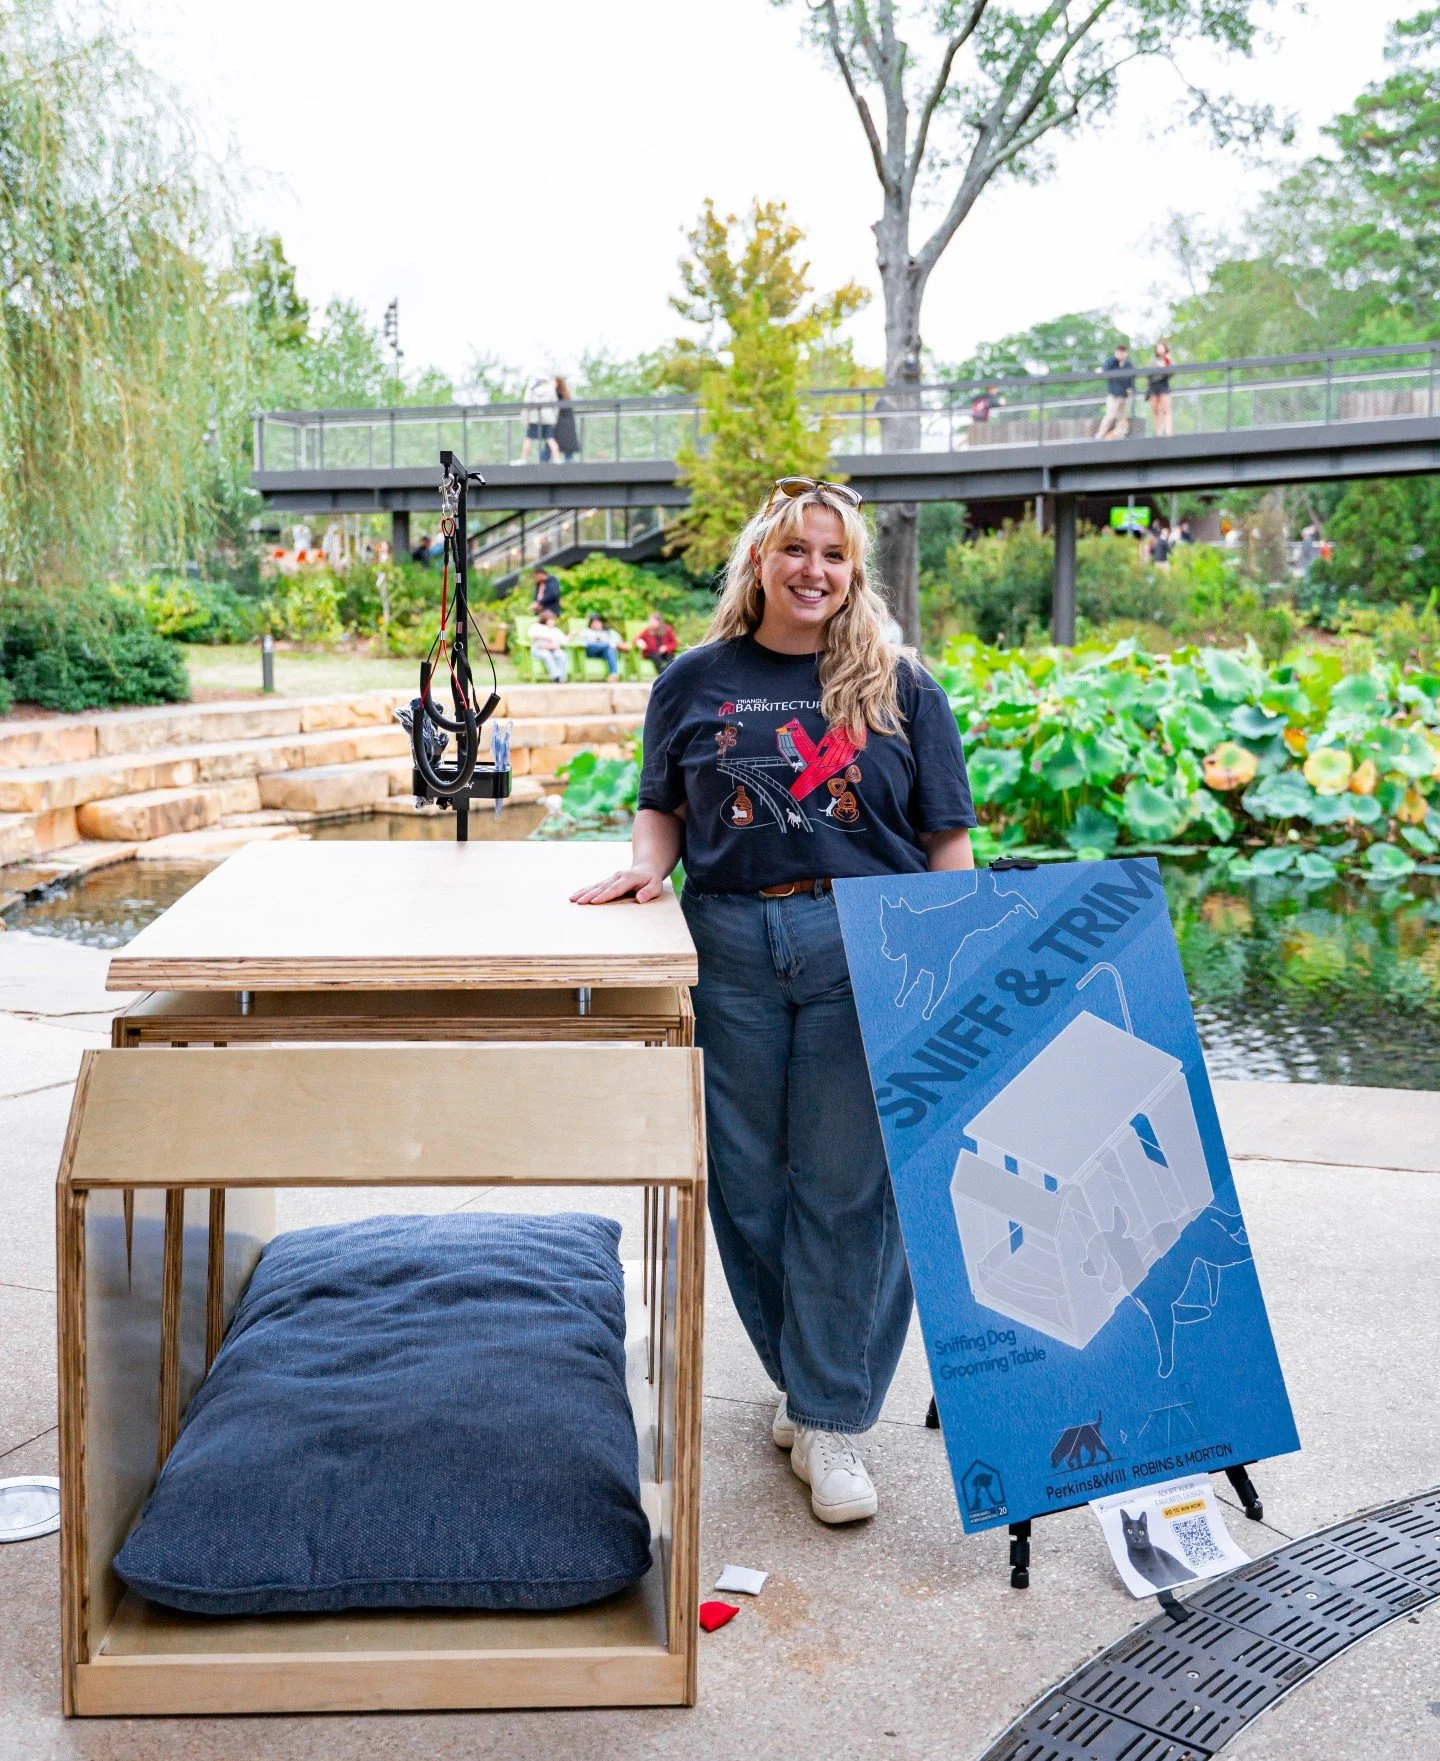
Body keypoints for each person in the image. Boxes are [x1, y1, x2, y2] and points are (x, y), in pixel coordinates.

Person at [572, 478, 977, 1528]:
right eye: (796, 550)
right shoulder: (694, 679)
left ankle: (835, 1419)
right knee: (747, 1184)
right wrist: (645, 869)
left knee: (849, 1187)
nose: (815, 571)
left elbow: (945, 838)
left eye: (835, 556)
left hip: (865, 942)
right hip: (732, 944)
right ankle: (810, 1380)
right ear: (761, 559)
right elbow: (661, 802)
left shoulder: (899, 684)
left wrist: (950, 957)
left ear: (854, 572)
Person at [1096, 343, 1135, 439]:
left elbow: (1131, 378)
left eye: (1122, 352)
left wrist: (1130, 389)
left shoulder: (1129, 364)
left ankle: (1118, 435)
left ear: (1126, 353)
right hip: (1114, 395)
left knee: (1122, 418)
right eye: (1119, 352)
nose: (1121, 354)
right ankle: (1100, 435)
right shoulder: (1112, 362)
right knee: (1110, 416)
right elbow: (1105, 368)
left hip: (1124, 395)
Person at [521, 373, 559, 463]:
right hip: (548, 418)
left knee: (529, 438)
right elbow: (555, 405)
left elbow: (526, 404)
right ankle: (557, 460)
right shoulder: (550, 388)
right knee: (550, 438)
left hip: (534, 418)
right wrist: (554, 419)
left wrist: (525, 419)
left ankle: (523, 459)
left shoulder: (531, 388)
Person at [528, 609, 569, 682]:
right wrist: (547, 639)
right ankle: (556, 676)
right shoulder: (537, 627)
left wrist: (570, 635)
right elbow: (531, 634)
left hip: (553, 650)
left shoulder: (555, 630)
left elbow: (564, 640)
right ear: (544, 620)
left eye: (553, 620)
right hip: (539, 650)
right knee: (546, 654)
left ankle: (562, 678)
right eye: (550, 620)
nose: (552, 622)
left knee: (562, 654)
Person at [633, 609, 678, 674]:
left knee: (670, 654)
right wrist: (639, 641)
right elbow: (635, 639)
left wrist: (666, 647)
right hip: (651, 653)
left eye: (652, 621)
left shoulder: (667, 629)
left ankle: (670, 673)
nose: (650, 622)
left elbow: (674, 643)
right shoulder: (647, 631)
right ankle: (663, 674)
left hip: (664, 653)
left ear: (658, 621)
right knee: (655, 655)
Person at [581, 613, 624, 679]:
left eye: (598, 622)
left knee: (610, 650)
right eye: (594, 622)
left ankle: (613, 674)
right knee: (609, 646)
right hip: (591, 651)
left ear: (601, 623)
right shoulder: (586, 631)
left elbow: (619, 641)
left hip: (605, 653)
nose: (596, 624)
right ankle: (606, 645)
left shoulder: (609, 632)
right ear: (590, 624)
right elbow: (582, 643)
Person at [1147, 341, 1174, 437]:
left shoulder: (1168, 359)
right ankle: (1158, 432)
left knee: (1166, 409)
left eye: (1161, 347)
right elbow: (1147, 372)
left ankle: (1168, 432)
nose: (1160, 350)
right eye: (1158, 348)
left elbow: (1171, 371)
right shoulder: (1153, 360)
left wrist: (1163, 367)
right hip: (1153, 385)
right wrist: (1155, 367)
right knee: (1156, 410)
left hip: (1163, 384)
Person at [553, 376, 581, 461]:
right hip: (567, 427)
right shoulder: (566, 394)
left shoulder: (557, 395)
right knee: (568, 454)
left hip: (560, 426)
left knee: (551, 448)